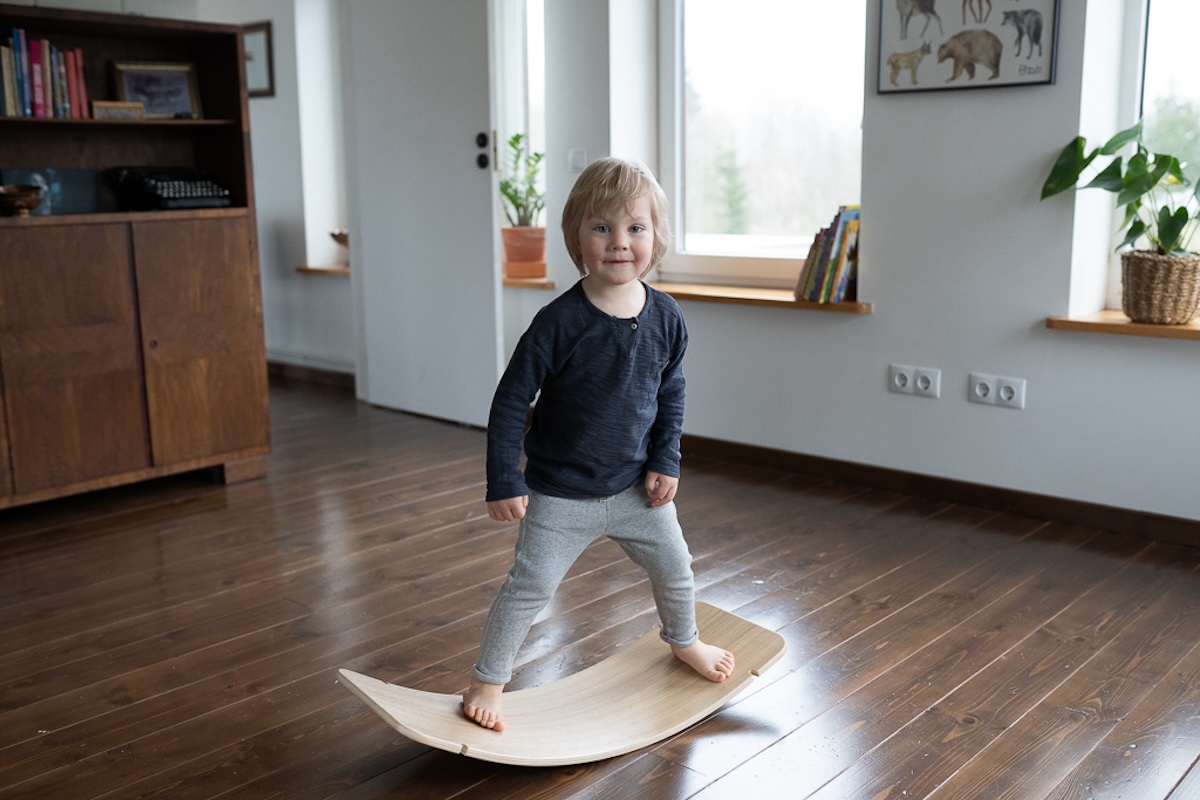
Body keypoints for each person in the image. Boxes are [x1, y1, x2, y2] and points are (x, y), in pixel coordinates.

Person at [462, 157, 735, 732]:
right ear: (576, 238)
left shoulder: (667, 317)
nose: (619, 243)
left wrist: (666, 460)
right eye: (601, 227)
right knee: (529, 588)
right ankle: (488, 679)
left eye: (636, 228)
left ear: (656, 238)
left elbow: (672, 394)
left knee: (676, 567)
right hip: (560, 494)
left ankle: (683, 641)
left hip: (637, 488)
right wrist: (504, 478)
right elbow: (511, 402)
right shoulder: (557, 322)